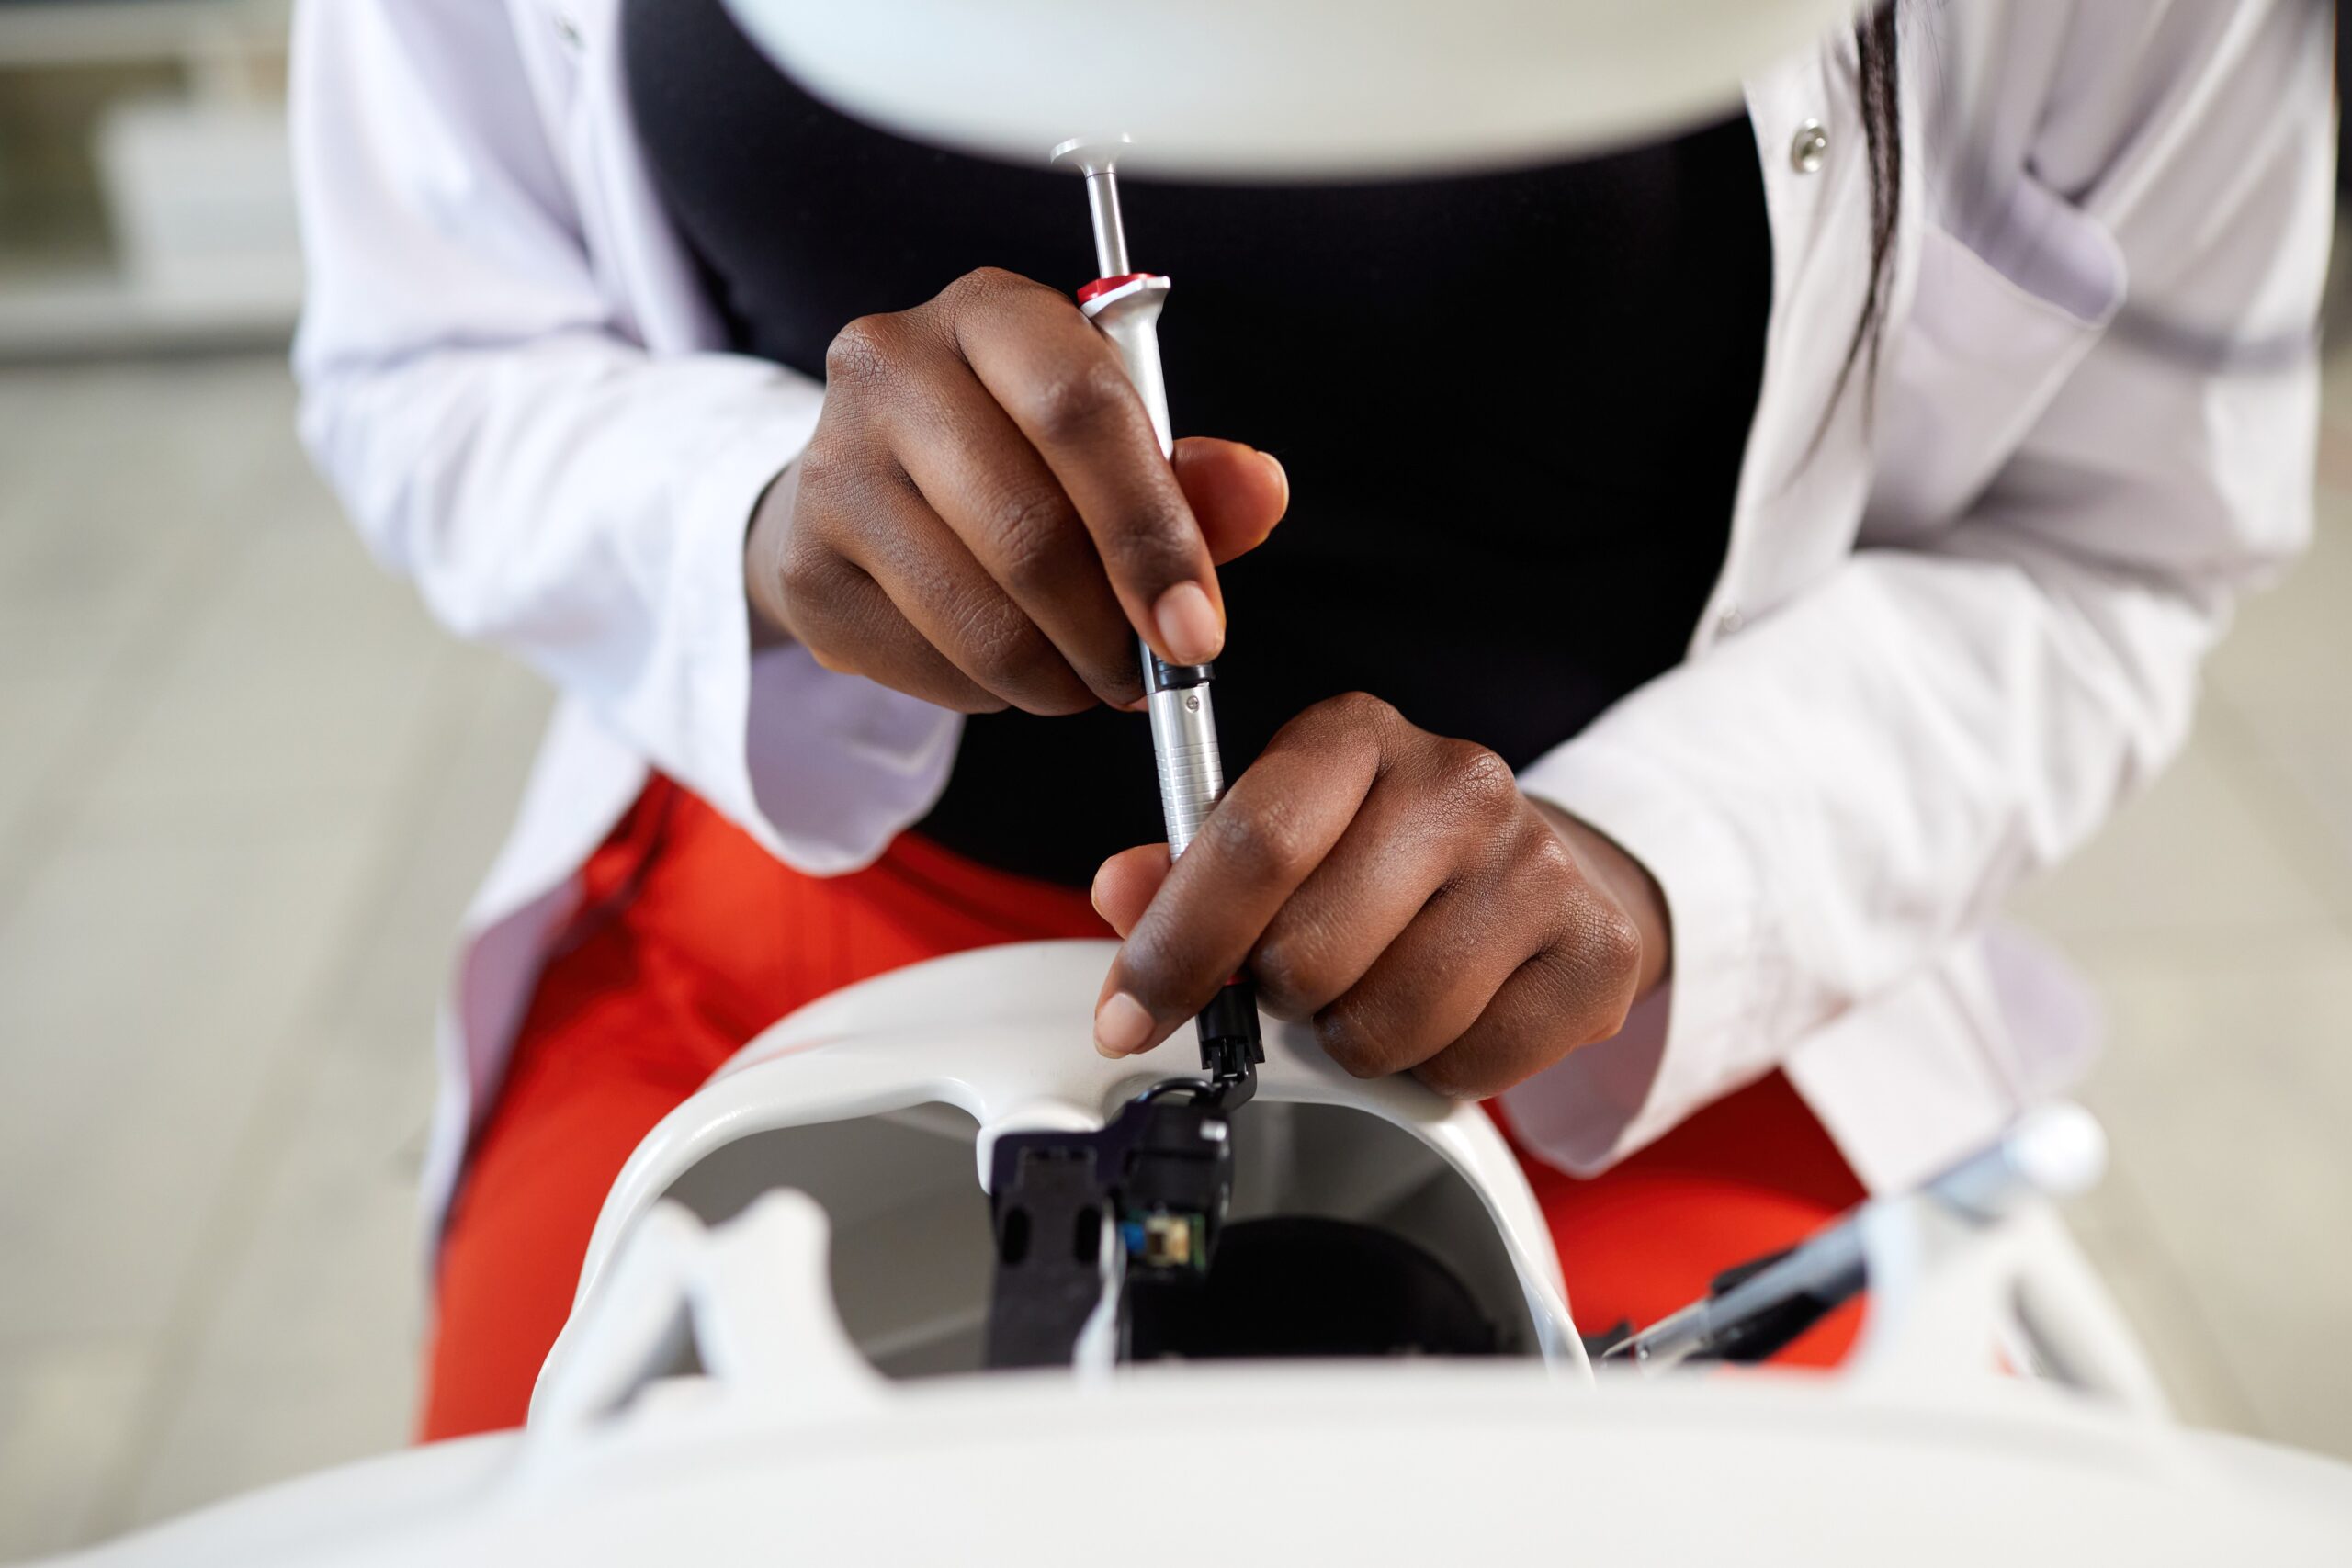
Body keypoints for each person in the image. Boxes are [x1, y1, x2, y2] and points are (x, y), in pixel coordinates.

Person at [288, 0, 2333, 1438]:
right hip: (789, 936)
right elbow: (426, 361)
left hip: (1618, 1032)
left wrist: (1663, 859)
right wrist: (747, 517)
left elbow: (2116, 546)